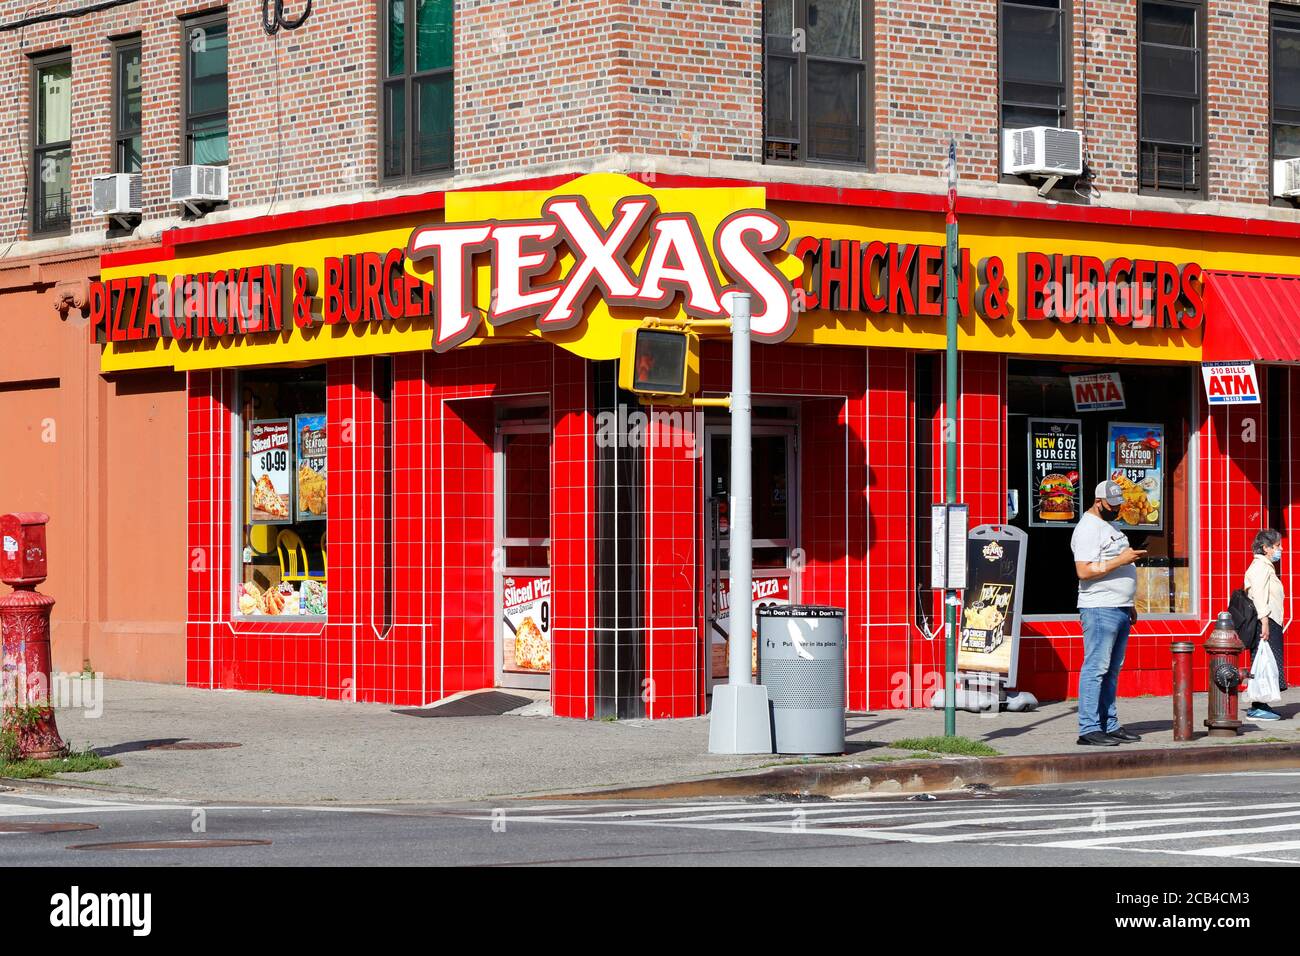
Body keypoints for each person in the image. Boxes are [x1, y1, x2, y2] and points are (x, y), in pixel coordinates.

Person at [1071, 479, 1147, 746]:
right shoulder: (1088, 529)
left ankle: (1109, 724)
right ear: (1098, 501)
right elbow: (1083, 570)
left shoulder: (1109, 525)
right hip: (1100, 607)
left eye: (1118, 504)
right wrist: (1121, 560)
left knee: (1111, 670)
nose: (1115, 509)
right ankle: (1089, 728)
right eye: (1111, 505)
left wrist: (1129, 603)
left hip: (1119, 607)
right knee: (1096, 668)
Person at [1244, 529, 1287, 721]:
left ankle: (1262, 704)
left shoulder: (1266, 566)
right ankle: (1258, 707)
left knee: (1267, 663)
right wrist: (1265, 622)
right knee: (1263, 662)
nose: (1280, 549)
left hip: (1271, 620)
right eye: (1277, 546)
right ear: (1265, 548)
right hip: (1266, 621)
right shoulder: (1260, 567)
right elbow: (1259, 595)